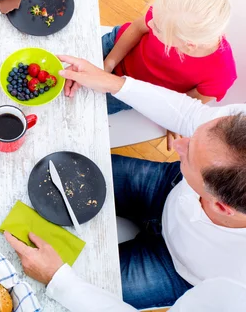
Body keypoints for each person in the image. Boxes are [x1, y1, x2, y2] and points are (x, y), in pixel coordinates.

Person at [56, 55, 246, 309]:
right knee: (64, 169)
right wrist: (112, 82)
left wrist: (62, 283)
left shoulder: (235, 290)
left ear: (222, 206)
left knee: (66, 284)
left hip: (174, 270)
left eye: (187, 154)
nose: (176, 143)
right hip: (165, 189)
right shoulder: (239, 127)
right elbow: (191, 114)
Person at [68, 0, 237, 150]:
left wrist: (172, 119)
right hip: (118, 47)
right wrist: (109, 63)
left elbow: (188, 103)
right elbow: (136, 28)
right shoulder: (169, 13)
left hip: (135, 90)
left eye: (156, 27)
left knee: (77, 109)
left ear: (189, 45)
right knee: (67, 61)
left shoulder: (221, 73)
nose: (150, 23)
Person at [4, 231, 246, 311]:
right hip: (169, 191)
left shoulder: (230, 294)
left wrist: (57, 277)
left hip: (180, 273)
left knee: (94, 276)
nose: (178, 145)